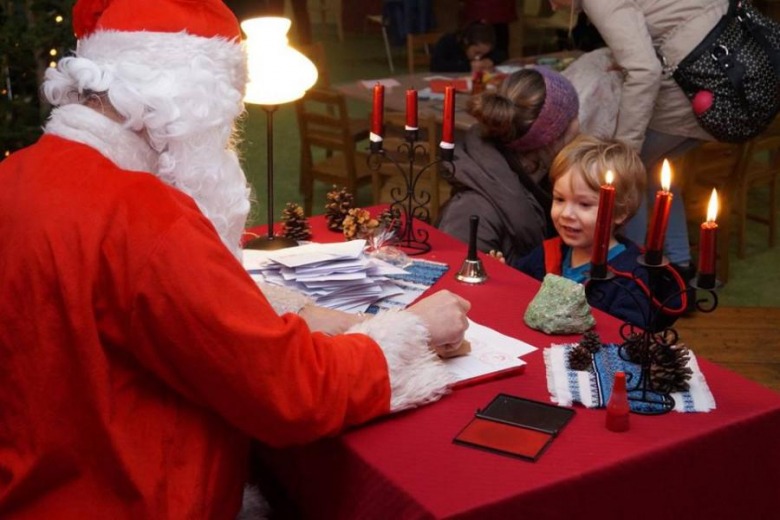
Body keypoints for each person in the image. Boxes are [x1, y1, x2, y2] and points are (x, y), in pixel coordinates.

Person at [0, 1, 470, 518]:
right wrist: (414, 331)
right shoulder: (148, 218)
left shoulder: (16, 177)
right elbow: (289, 392)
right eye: (227, 115)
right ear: (189, 100)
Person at [549, 0, 730, 274]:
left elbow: (645, 71)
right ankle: (680, 268)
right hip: (719, 92)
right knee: (658, 174)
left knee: (627, 181)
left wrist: (625, 151)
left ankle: (628, 272)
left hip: (689, 92)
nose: (551, 7)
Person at [507, 135, 686, 328]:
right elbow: (515, 285)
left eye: (584, 204)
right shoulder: (550, 253)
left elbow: (627, 337)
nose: (566, 214)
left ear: (620, 212)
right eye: (559, 199)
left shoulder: (630, 277)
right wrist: (500, 270)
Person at [437, 67, 580, 265]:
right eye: (574, 117)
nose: (580, 126)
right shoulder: (473, 213)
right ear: (553, 139)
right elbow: (453, 287)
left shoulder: (547, 188)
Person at [430, 20, 503, 73]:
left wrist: (490, 61)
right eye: (477, 52)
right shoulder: (448, 42)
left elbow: (501, 54)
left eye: (484, 54)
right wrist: (468, 67)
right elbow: (436, 66)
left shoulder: (485, 47)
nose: (479, 57)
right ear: (466, 41)